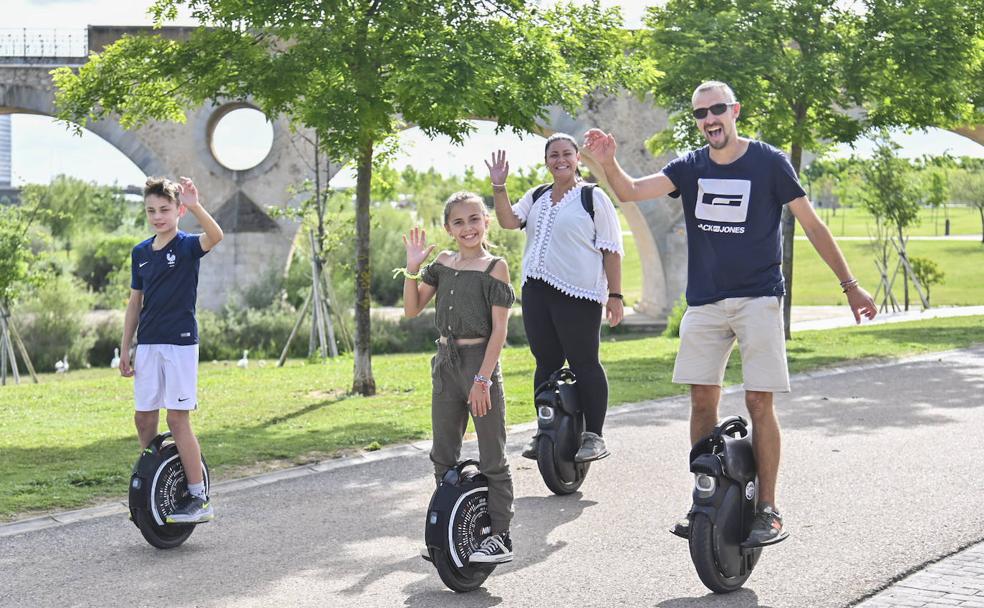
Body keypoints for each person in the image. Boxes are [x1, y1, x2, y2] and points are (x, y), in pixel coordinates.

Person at [584, 80, 877, 546]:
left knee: (759, 401)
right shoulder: (691, 165)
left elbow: (812, 225)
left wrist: (850, 285)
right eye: (701, 114)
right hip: (705, 301)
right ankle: (705, 494)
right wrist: (607, 161)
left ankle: (768, 508)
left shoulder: (769, 162)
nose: (709, 120)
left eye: (717, 110)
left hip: (759, 297)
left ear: (735, 111)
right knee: (702, 399)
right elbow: (632, 189)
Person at [486, 133, 625, 463]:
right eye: (553, 155)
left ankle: (594, 436)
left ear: (578, 158)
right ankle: (546, 430)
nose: (560, 159)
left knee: (584, 362)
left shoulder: (593, 197)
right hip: (536, 291)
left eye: (566, 154)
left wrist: (615, 295)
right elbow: (508, 221)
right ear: (546, 161)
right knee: (545, 363)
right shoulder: (537, 195)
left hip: (578, 293)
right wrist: (499, 187)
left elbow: (612, 250)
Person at [400, 191, 516, 563]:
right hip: (445, 363)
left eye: (474, 219)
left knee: (492, 456)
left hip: (478, 363)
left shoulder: (494, 266)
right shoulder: (443, 263)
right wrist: (413, 267)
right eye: (459, 222)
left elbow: (500, 330)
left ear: (486, 222)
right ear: (448, 228)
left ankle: (500, 536)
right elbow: (411, 309)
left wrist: (483, 379)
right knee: (443, 454)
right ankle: (447, 529)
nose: (468, 228)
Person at [120, 176, 224, 524]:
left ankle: (198, 496)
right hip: (147, 344)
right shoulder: (139, 253)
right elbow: (135, 304)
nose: (157, 216)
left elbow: (216, 237)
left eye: (164, 209)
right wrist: (125, 348)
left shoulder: (186, 246)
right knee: (143, 417)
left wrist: (196, 204)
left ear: (178, 211)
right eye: (151, 210)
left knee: (177, 419)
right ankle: (154, 481)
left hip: (180, 344)